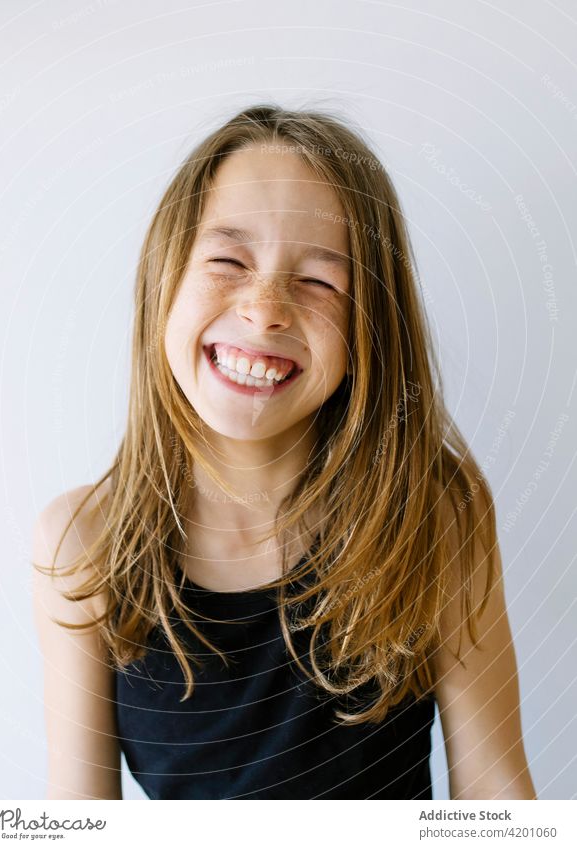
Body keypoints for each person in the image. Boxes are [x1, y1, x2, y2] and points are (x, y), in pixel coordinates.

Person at [32, 103, 536, 800]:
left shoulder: (433, 513)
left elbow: (496, 788)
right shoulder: (81, 541)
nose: (265, 306)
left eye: (318, 281)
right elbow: (79, 816)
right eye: (227, 261)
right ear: (162, 285)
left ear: (369, 330)